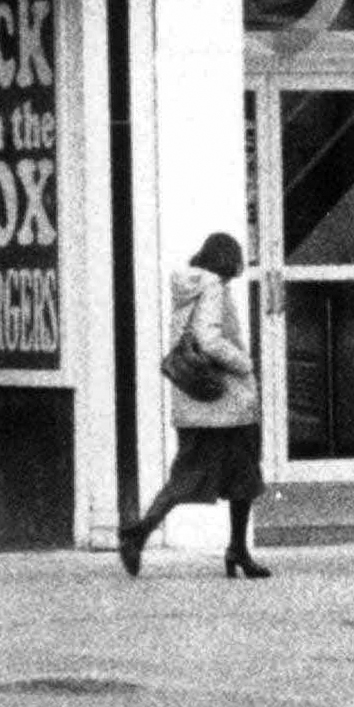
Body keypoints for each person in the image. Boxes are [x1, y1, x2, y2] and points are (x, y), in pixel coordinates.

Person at [118, 231, 267, 578]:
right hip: (226, 403)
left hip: (196, 403)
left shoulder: (191, 288)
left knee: (187, 477)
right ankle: (232, 548)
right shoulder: (213, 288)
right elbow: (208, 340)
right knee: (242, 476)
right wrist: (244, 363)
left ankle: (144, 534)